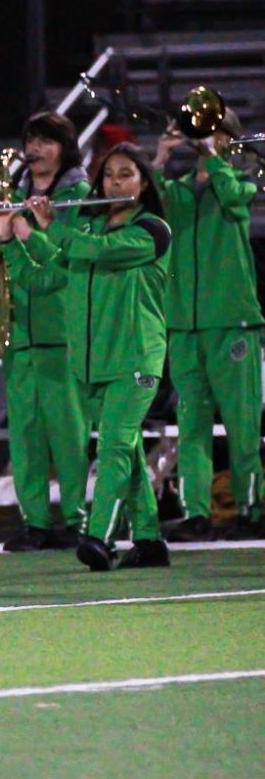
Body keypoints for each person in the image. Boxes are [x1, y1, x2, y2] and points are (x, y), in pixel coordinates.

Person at [0, 142, 171, 571]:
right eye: (109, 174)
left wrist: (50, 226)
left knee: (112, 447)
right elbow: (48, 277)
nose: (115, 181)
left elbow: (100, 254)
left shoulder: (151, 230)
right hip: (91, 364)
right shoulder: (88, 232)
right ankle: (149, 541)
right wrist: (14, 238)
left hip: (135, 358)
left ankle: (98, 536)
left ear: (144, 182)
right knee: (125, 452)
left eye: (126, 173)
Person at [153, 110, 263, 539]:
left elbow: (234, 198)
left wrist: (214, 159)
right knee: (191, 425)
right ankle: (196, 513)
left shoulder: (238, 184)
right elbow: (146, 207)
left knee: (242, 424)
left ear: (230, 141)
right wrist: (159, 160)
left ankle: (251, 509)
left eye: (214, 130)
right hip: (184, 325)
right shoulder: (174, 192)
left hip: (233, 323)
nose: (202, 137)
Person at [0, 112, 92, 552]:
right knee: (26, 436)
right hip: (20, 333)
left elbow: (69, 258)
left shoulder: (80, 196)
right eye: (31, 140)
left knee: (68, 435)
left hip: (61, 331)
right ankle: (34, 520)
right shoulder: (12, 195)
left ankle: (75, 517)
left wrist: (30, 229)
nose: (36, 149)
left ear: (64, 148)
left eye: (46, 141)